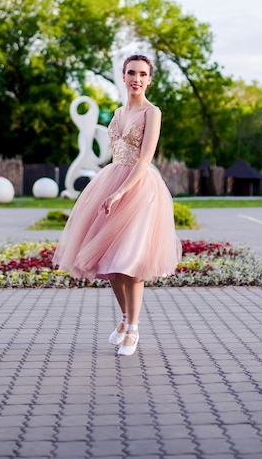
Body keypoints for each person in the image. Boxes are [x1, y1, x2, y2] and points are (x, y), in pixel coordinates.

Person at [53, 54, 181, 355]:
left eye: (142, 74)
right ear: (123, 77)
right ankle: (124, 319)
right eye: (131, 73)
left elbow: (145, 158)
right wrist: (110, 190)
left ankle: (134, 329)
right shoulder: (117, 112)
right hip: (110, 181)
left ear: (149, 79)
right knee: (109, 264)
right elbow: (115, 154)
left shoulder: (153, 112)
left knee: (130, 262)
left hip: (140, 190)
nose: (136, 78)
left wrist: (121, 192)